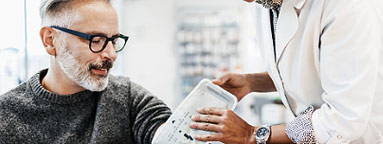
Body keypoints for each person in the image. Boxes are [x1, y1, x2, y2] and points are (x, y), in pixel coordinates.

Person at [190, 0, 383, 143]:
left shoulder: (347, 6)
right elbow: (306, 67)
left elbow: (344, 119)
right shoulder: (260, 5)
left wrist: (252, 135)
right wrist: (251, 83)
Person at [0, 0, 171, 143]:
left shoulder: (128, 99)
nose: (111, 55)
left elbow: (165, 129)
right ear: (50, 40)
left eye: (114, 41)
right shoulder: (5, 116)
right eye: (96, 40)